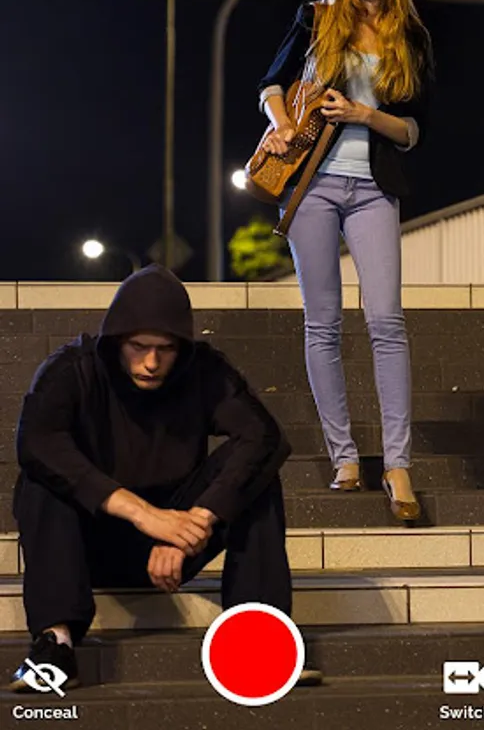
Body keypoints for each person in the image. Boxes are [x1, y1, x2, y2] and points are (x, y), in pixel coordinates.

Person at [9, 264, 322, 691]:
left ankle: (257, 640)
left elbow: (264, 437)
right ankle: (55, 644)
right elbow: (36, 443)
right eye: (138, 347)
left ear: (182, 348)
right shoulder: (73, 370)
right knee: (41, 478)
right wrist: (146, 516)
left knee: (257, 473)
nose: (152, 363)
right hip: (88, 545)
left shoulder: (204, 370)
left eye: (166, 349)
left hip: (178, 541)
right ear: (116, 341)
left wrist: (194, 523)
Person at [257, 0, 434, 522]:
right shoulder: (317, 18)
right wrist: (283, 125)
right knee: (323, 324)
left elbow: (414, 130)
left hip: (374, 189)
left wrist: (365, 115)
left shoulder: (411, 34)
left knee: (386, 321)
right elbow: (270, 84)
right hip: (310, 186)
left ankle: (398, 465)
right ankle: (345, 458)